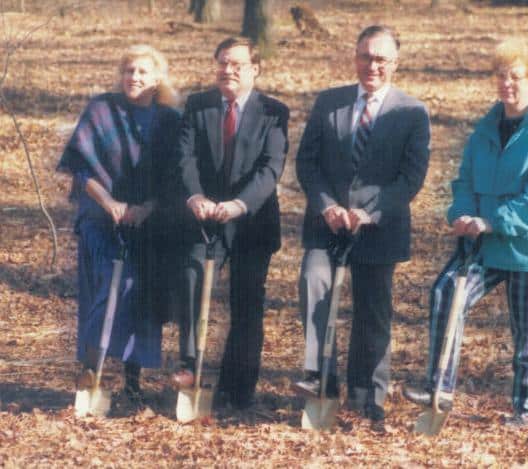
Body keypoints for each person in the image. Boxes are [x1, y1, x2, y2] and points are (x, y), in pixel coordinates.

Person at [403, 37, 528, 428]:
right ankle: (438, 387)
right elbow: (464, 181)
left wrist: (494, 220)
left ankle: (526, 410)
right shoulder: (485, 127)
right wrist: (462, 214)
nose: (506, 83)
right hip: (483, 241)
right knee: (446, 291)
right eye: (500, 75)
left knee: (527, 338)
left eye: (515, 76)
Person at [294, 25, 431, 422]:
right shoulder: (328, 102)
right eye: (365, 57)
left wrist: (369, 212)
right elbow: (307, 162)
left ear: (395, 64)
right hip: (328, 224)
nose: (372, 66)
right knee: (313, 280)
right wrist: (326, 206)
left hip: (379, 226)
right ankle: (320, 378)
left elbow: (411, 177)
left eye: (381, 59)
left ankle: (366, 391)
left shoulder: (412, 112)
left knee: (373, 310)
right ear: (355, 58)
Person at [57, 45, 181, 402]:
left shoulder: (170, 120)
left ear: (157, 78)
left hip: (149, 223)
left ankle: (132, 381)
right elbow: (80, 167)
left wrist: (148, 208)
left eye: (143, 72)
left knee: (139, 293)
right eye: (129, 71)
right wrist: (109, 203)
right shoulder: (101, 109)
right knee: (109, 287)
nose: (134, 78)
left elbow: (176, 177)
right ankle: (91, 371)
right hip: (100, 218)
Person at [171, 37, 289, 410]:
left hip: (251, 221)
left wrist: (239, 204)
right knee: (191, 281)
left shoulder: (274, 111)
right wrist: (194, 197)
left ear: (256, 69)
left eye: (238, 64)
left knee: (246, 304)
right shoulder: (198, 105)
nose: (229, 70)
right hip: (203, 217)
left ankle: (237, 391)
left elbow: (271, 167)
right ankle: (191, 368)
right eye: (223, 63)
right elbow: (184, 158)